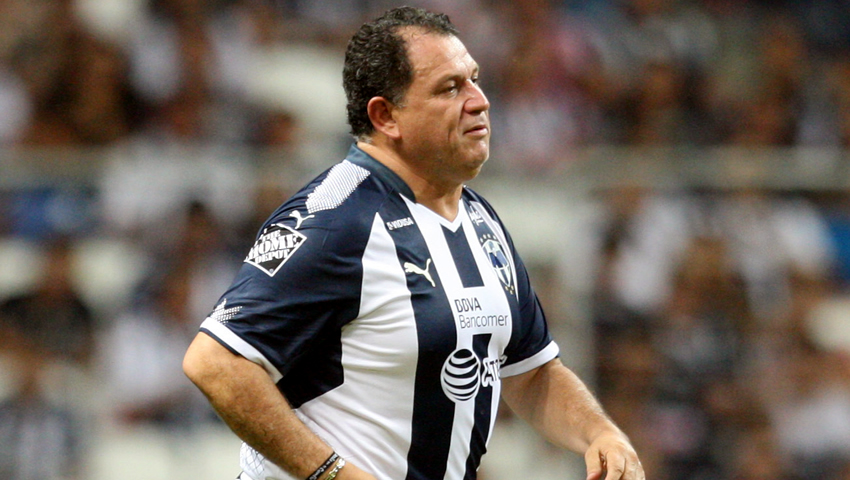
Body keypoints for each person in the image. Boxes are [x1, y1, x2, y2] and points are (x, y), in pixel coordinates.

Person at [183, 6, 644, 480]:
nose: (480, 101)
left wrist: (599, 434)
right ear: (386, 116)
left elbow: (530, 372)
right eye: (450, 88)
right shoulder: (335, 219)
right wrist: (333, 473)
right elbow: (216, 362)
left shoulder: (481, 220)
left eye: (474, 79)